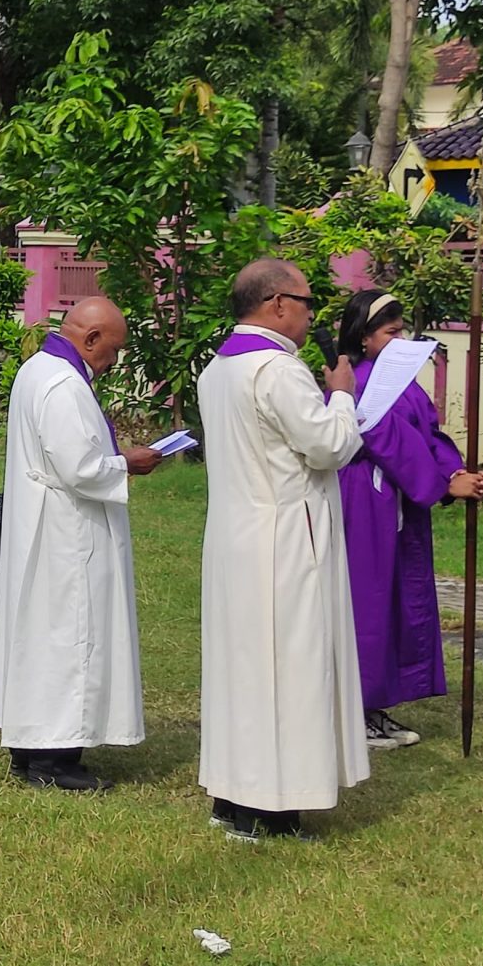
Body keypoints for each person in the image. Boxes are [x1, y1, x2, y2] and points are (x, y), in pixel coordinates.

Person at [196, 258, 366, 841]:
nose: (311, 314)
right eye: (307, 302)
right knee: (288, 667)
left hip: (235, 531)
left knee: (241, 668)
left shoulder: (217, 368)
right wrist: (342, 397)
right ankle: (273, 801)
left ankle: (231, 792)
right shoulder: (278, 369)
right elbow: (329, 447)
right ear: (276, 303)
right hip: (285, 536)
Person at [0, 298, 165, 793]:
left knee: (42, 636)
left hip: (45, 519)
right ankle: (57, 756)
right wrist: (128, 462)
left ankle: (31, 747)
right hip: (67, 527)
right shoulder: (65, 383)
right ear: (90, 340)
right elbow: (80, 468)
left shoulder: (36, 368)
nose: (112, 362)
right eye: (112, 350)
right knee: (72, 636)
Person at [335, 289, 483, 750]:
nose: (398, 336)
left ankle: (374, 706)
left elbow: (428, 434)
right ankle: (355, 710)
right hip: (368, 502)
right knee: (369, 599)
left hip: (397, 503)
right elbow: (388, 440)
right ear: (363, 337)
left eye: (402, 330)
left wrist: (454, 469)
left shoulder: (403, 384)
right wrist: (442, 485)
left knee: (396, 597)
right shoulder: (360, 383)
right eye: (389, 330)